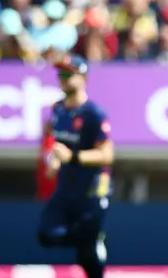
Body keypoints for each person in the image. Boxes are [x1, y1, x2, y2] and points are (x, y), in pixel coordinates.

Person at [37, 54, 114, 278]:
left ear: (83, 77)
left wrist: (72, 156)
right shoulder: (58, 109)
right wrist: (51, 158)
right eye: (61, 73)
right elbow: (49, 137)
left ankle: (91, 243)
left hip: (94, 186)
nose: (63, 78)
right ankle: (90, 240)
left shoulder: (93, 114)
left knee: (88, 258)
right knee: (46, 234)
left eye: (69, 73)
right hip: (67, 186)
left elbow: (107, 155)